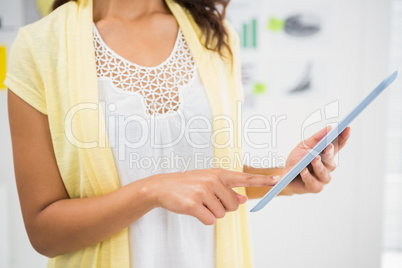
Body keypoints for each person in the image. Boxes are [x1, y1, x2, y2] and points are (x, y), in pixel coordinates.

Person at [5, 0, 351, 267]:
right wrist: (152, 190)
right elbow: (43, 230)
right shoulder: (38, 48)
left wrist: (283, 178)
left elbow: (207, 177)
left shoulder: (215, 36)